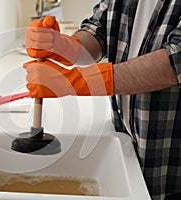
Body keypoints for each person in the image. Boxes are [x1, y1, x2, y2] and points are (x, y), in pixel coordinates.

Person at [24, 1, 181, 200]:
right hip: (132, 144)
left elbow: (176, 60)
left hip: (172, 172)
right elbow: (98, 31)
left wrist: (76, 82)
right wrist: (63, 46)